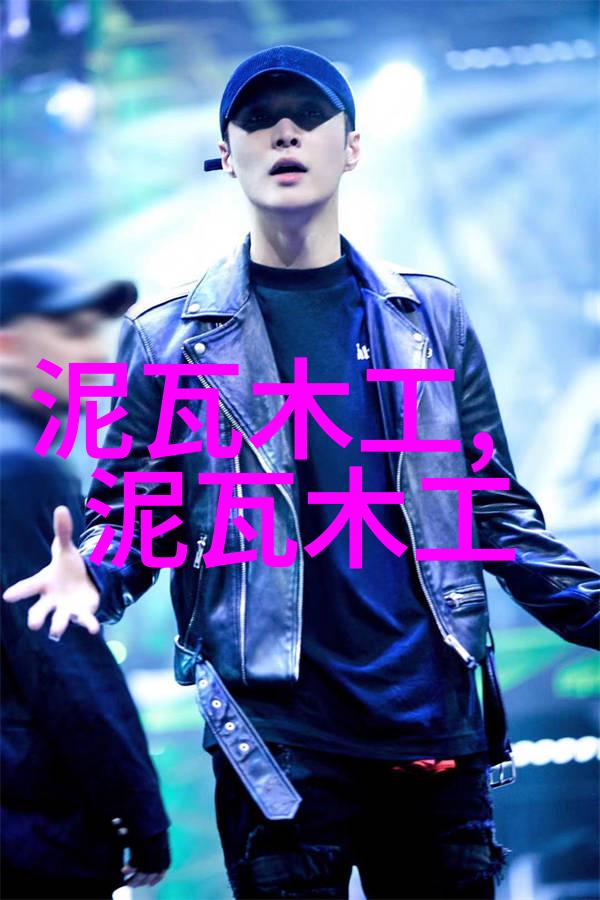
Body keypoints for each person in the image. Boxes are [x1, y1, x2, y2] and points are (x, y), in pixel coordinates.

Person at [4, 47, 598, 900]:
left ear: (351, 146)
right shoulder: (171, 340)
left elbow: (494, 512)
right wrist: (94, 575)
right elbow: (140, 515)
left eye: (309, 114)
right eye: (258, 118)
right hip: (278, 749)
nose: (284, 131)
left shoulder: (432, 318)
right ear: (227, 153)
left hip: (432, 734)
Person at [0, 258, 171, 900]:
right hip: (32, 829)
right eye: (71, 332)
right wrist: (142, 814)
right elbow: (62, 663)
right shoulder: (22, 468)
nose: (95, 353)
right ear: (8, 347)